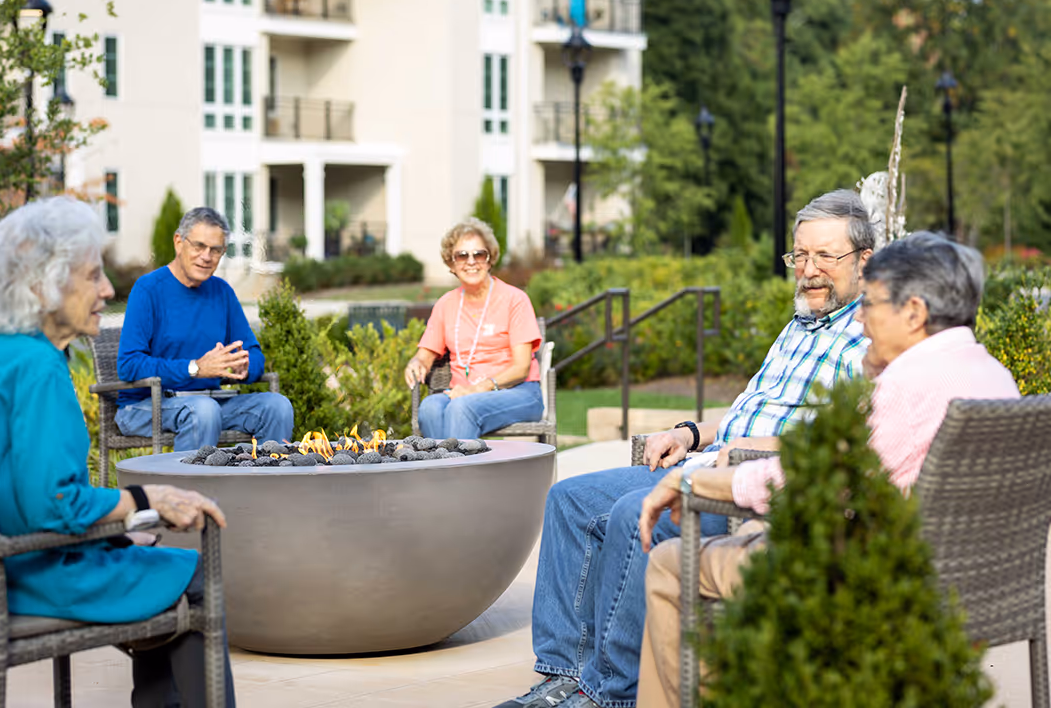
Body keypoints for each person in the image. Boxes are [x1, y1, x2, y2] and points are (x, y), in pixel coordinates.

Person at [495, 190, 875, 708]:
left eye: (825, 256)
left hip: (755, 486)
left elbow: (849, 437)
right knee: (569, 500)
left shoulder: (870, 338)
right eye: (799, 255)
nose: (808, 270)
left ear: (864, 260)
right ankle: (564, 676)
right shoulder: (798, 327)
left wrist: (758, 447)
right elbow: (746, 411)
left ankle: (611, 693)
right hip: (704, 463)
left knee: (632, 515)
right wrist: (688, 433)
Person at [635, 231, 1020, 708]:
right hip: (985, 586)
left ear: (915, 313)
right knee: (757, 533)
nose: (859, 317)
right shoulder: (992, 375)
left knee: (672, 565)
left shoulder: (911, 384)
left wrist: (690, 479)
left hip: (878, 585)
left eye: (872, 303)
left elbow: (818, 482)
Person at [0, 197, 237, 707]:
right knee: (189, 575)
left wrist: (119, 535)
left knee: (147, 559)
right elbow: (56, 505)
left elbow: (20, 493)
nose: (107, 289)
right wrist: (149, 498)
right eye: (91, 276)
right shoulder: (39, 367)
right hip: (27, 574)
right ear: (42, 287)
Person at [116, 206, 293, 452]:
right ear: (179, 242)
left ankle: (266, 487)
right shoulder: (148, 289)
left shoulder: (222, 292)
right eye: (199, 246)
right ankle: (190, 490)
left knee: (278, 406)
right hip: (147, 405)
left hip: (209, 401)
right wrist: (195, 368)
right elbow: (129, 365)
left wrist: (244, 366)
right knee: (203, 411)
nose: (206, 257)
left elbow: (254, 354)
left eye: (215, 250)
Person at [404, 218, 544, 439]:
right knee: (429, 408)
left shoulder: (515, 300)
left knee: (463, 409)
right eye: (462, 255)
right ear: (452, 264)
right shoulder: (446, 305)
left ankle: (457, 473)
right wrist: (416, 363)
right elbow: (424, 356)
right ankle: (448, 471)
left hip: (519, 391)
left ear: (490, 260)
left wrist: (477, 390)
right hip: (461, 393)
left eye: (479, 254)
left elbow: (521, 367)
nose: (471, 262)